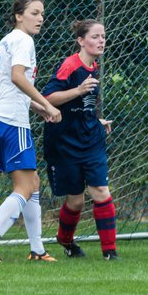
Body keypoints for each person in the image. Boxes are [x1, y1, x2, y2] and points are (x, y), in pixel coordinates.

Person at [0, 0, 62, 263]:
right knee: (24, 186)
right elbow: (17, 77)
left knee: (32, 182)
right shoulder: (23, 40)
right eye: (34, 13)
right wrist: (47, 105)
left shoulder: (7, 40)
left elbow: (10, 84)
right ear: (18, 15)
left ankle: (37, 250)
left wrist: (36, 107)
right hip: (11, 121)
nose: (40, 19)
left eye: (42, 14)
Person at [42, 19, 119, 261]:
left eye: (103, 36)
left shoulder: (93, 67)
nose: (101, 41)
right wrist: (77, 90)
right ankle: (65, 240)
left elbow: (83, 106)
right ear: (81, 41)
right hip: (64, 143)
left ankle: (110, 252)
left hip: (91, 140)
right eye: (95, 37)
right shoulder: (70, 66)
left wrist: (97, 120)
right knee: (75, 201)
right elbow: (47, 99)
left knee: (101, 191)